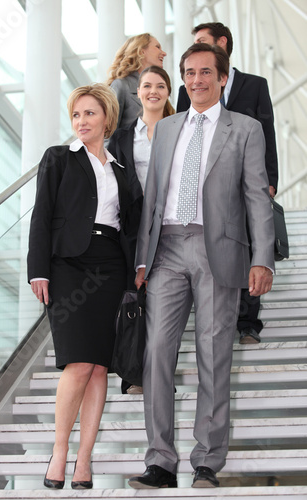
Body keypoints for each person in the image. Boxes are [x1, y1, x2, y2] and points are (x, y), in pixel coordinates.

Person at [128, 43, 274, 489]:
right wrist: (141, 257)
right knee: (156, 353)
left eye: (206, 72)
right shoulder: (168, 128)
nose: (196, 80)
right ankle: (160, 461)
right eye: (189, 73)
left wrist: (263, 258)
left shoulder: (245, 129)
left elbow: (256, 195)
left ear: (223, 78)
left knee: (215, 355)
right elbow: (153, 194)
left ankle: (207, 460)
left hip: (219, 249)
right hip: (167, 248)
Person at [27, 84, 142, 490]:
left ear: (106, 119)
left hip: (111, 266)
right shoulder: (58, 158)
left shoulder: (122, 170)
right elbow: (42, 214)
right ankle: (59, 452)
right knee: (77, 363)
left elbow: (132, 228)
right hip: (68, 267)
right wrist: (37, 270)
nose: (81, 122)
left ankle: (84, 460)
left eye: (90, 114)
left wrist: (138, 271)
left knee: (99, 368)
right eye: (76, 115)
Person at [176, 22, 278, 345]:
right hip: (206, 187)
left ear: (221, 43)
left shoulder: (255, 85)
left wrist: (270, 180)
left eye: (203, 42)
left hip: (246, 180)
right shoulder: (186, 91)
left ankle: (247, 322)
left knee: (247, 244)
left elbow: (268, 133)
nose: (196, 76)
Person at [109, 65, 175, 394]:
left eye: (160, 86)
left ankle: (160, 374)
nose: (152, 91)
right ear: (137, 93)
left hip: (173, 226)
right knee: (135, 298)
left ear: (168, 92)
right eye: (146, 85)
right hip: (134, 229)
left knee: (166, 302)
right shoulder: (121, 138)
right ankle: (134, 372)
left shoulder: (181, 130)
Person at [107, 33, 167, 129]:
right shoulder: (121, 85)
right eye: (157, 47)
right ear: (141, 52)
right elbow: (108, 134)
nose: (164, 53)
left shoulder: (160, 88)